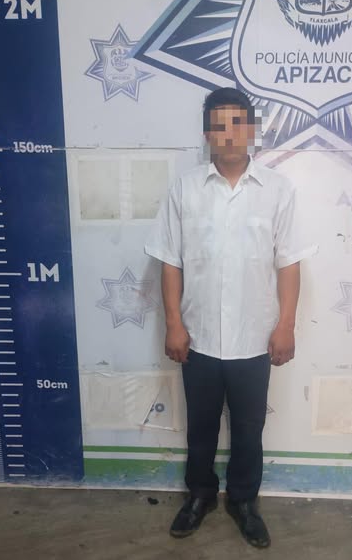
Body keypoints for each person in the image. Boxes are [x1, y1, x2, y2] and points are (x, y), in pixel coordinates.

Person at [144, 87, 314, 548]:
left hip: (254, 338)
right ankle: (199, 495)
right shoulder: (185, 189)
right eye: (219, 126)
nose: (229, 134)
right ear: (207, 134)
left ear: (251, 130)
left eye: (238, 124)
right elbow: (170, 261)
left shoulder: (278, 190)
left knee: (248, 429)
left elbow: (289, 262)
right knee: (200, 428)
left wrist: (286, 325)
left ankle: (243, 501)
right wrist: (174, 323)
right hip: (198, 337)